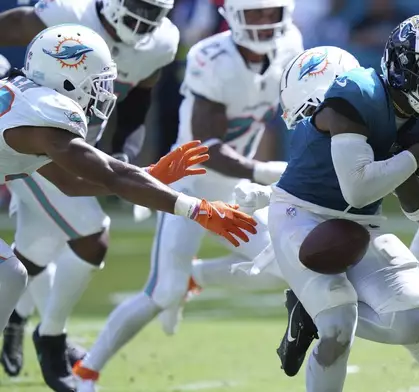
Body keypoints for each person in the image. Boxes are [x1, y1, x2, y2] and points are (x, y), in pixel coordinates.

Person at [0, 23, 257, 392]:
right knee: (9, 274)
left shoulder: (27, 105)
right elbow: (110, 175)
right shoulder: (44, 113)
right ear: (66, 77)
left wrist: (149, 174)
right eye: (97, 82)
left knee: (10, 274)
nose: (104, 93)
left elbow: (72, 182)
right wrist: (196, 209)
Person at [72, 0, 302, 390]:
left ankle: (197, 276)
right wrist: (263, 170)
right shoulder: (210, 56)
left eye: (272, 12)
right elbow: (207, 144)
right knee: (162, 293)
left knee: (283, 266)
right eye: (256, 13)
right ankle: (86, 372)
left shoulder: (291, 45)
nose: (265, 22)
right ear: (231, 16)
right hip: (190, 186)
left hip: (238, 189)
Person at [270, 14, 419, 392]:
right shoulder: (357, 92)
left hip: (362, 225)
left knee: (416, 321)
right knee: (337, 326)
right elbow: (359, 189)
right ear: (403, 68)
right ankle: (319, 312)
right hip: (301, 213)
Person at [0, 0, 181, 384]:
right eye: (137, 5)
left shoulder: (161, 42)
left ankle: (18, 318)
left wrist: (125, 159)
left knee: (35, 248)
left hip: (69, 152)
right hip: (39, 148)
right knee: (90, 235)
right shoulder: (70, 16)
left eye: (154, 9)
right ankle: (51, 338)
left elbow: (137, 104)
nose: (144, 17)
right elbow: (9, 25)